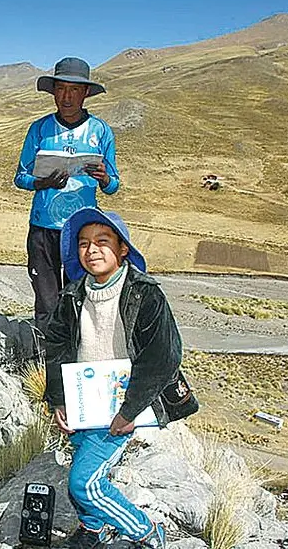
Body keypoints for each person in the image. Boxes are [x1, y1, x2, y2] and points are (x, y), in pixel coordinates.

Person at [43, 207, 182, 549]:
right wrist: (59, 399)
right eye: (83, 243)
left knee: (84, 483)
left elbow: (163, 356)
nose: (92, 250)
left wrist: (130, 411)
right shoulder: (73, 295)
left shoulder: (145, 294)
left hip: (122, 405)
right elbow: (57, 347)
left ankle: (147, 532)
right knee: (85, 464)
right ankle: (94, 527)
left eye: (102, 242)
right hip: (83, 400)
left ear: (123, 249)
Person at [14, 57, 120, 331]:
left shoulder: (100, 131)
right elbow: (20, 177)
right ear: (53, 92)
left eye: (74, 90)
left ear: (85, 93)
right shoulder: (39, 129)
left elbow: (113, 185)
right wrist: (42, 183)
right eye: (61, 89)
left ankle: (80, 354)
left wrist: (105, 178)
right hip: (43, 228)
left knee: (81, 296)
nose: (67, 97)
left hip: (83, 229)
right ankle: (48, 362)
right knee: (46, 300)